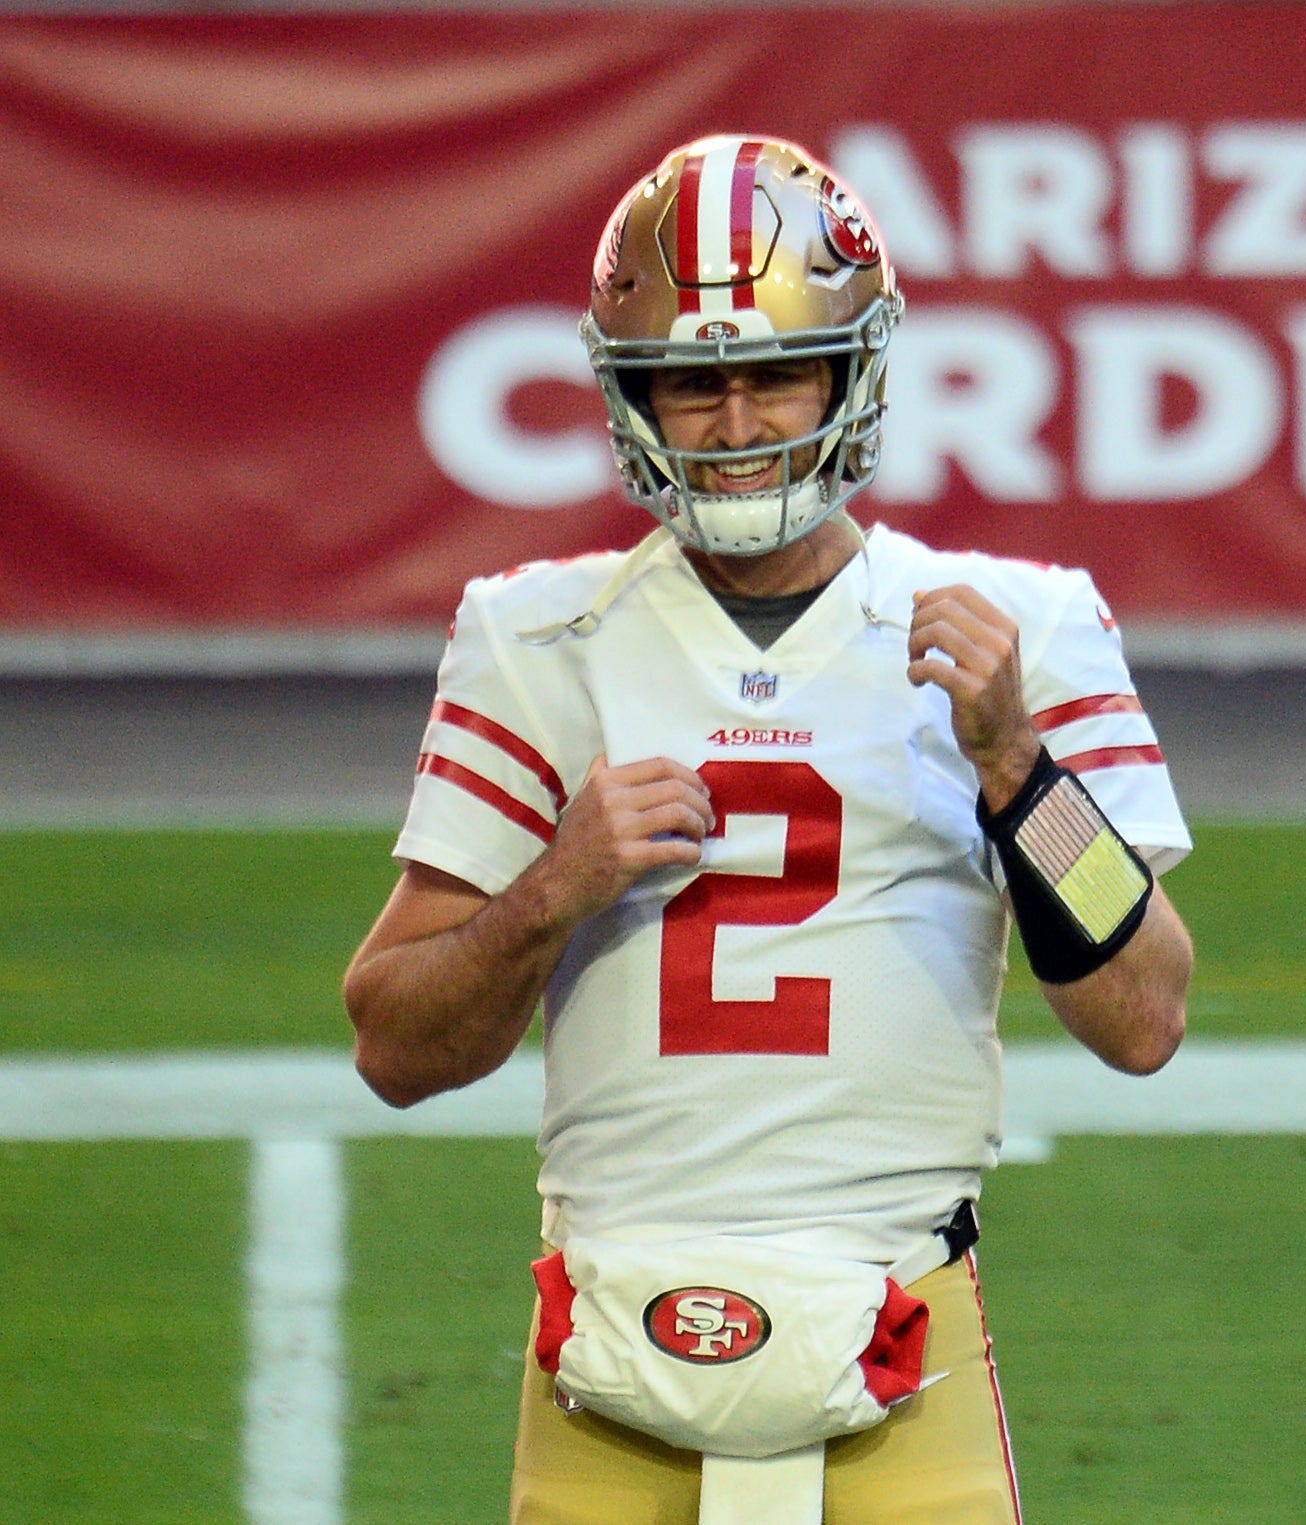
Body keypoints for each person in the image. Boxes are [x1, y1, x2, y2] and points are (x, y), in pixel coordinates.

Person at [343, 135, 1194, 1525]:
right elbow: (393, 1043)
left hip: (899, 1327)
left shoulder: (1017, 632)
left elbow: (1146, 1015)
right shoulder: (539, 637)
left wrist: (1018, 769)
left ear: (853, 375)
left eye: (777, 373)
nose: (737, 425)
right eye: (694, 383)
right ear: (634, 398)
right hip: (610, 1339)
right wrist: (556, 884)